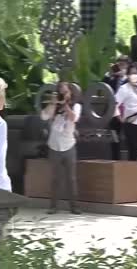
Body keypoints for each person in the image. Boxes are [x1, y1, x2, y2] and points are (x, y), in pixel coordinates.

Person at [40, 82, 82, 215]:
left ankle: (74, 207)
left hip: (69, 146)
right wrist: (53, 103)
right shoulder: (55, 107)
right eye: (61, 92)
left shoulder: (76, 106)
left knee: (71, 179)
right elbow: (44, 116)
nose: (63, 94)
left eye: (65, 92)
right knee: (55, 178)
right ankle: (53, 206)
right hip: (54, 146)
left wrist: (65, 105)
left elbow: (73, 118)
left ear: (71, 93)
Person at [103, 55, 131, 160]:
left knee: (129, 136)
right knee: (114, 136)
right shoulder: (112, 78)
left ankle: (131, 159)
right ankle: (116, 159)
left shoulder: (130, 78)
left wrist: (125, 76)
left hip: (127, 111)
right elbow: (103, 85)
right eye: (119, 63)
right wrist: (110, 74)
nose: (121, 65)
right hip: (114, 110)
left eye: (124, 63)